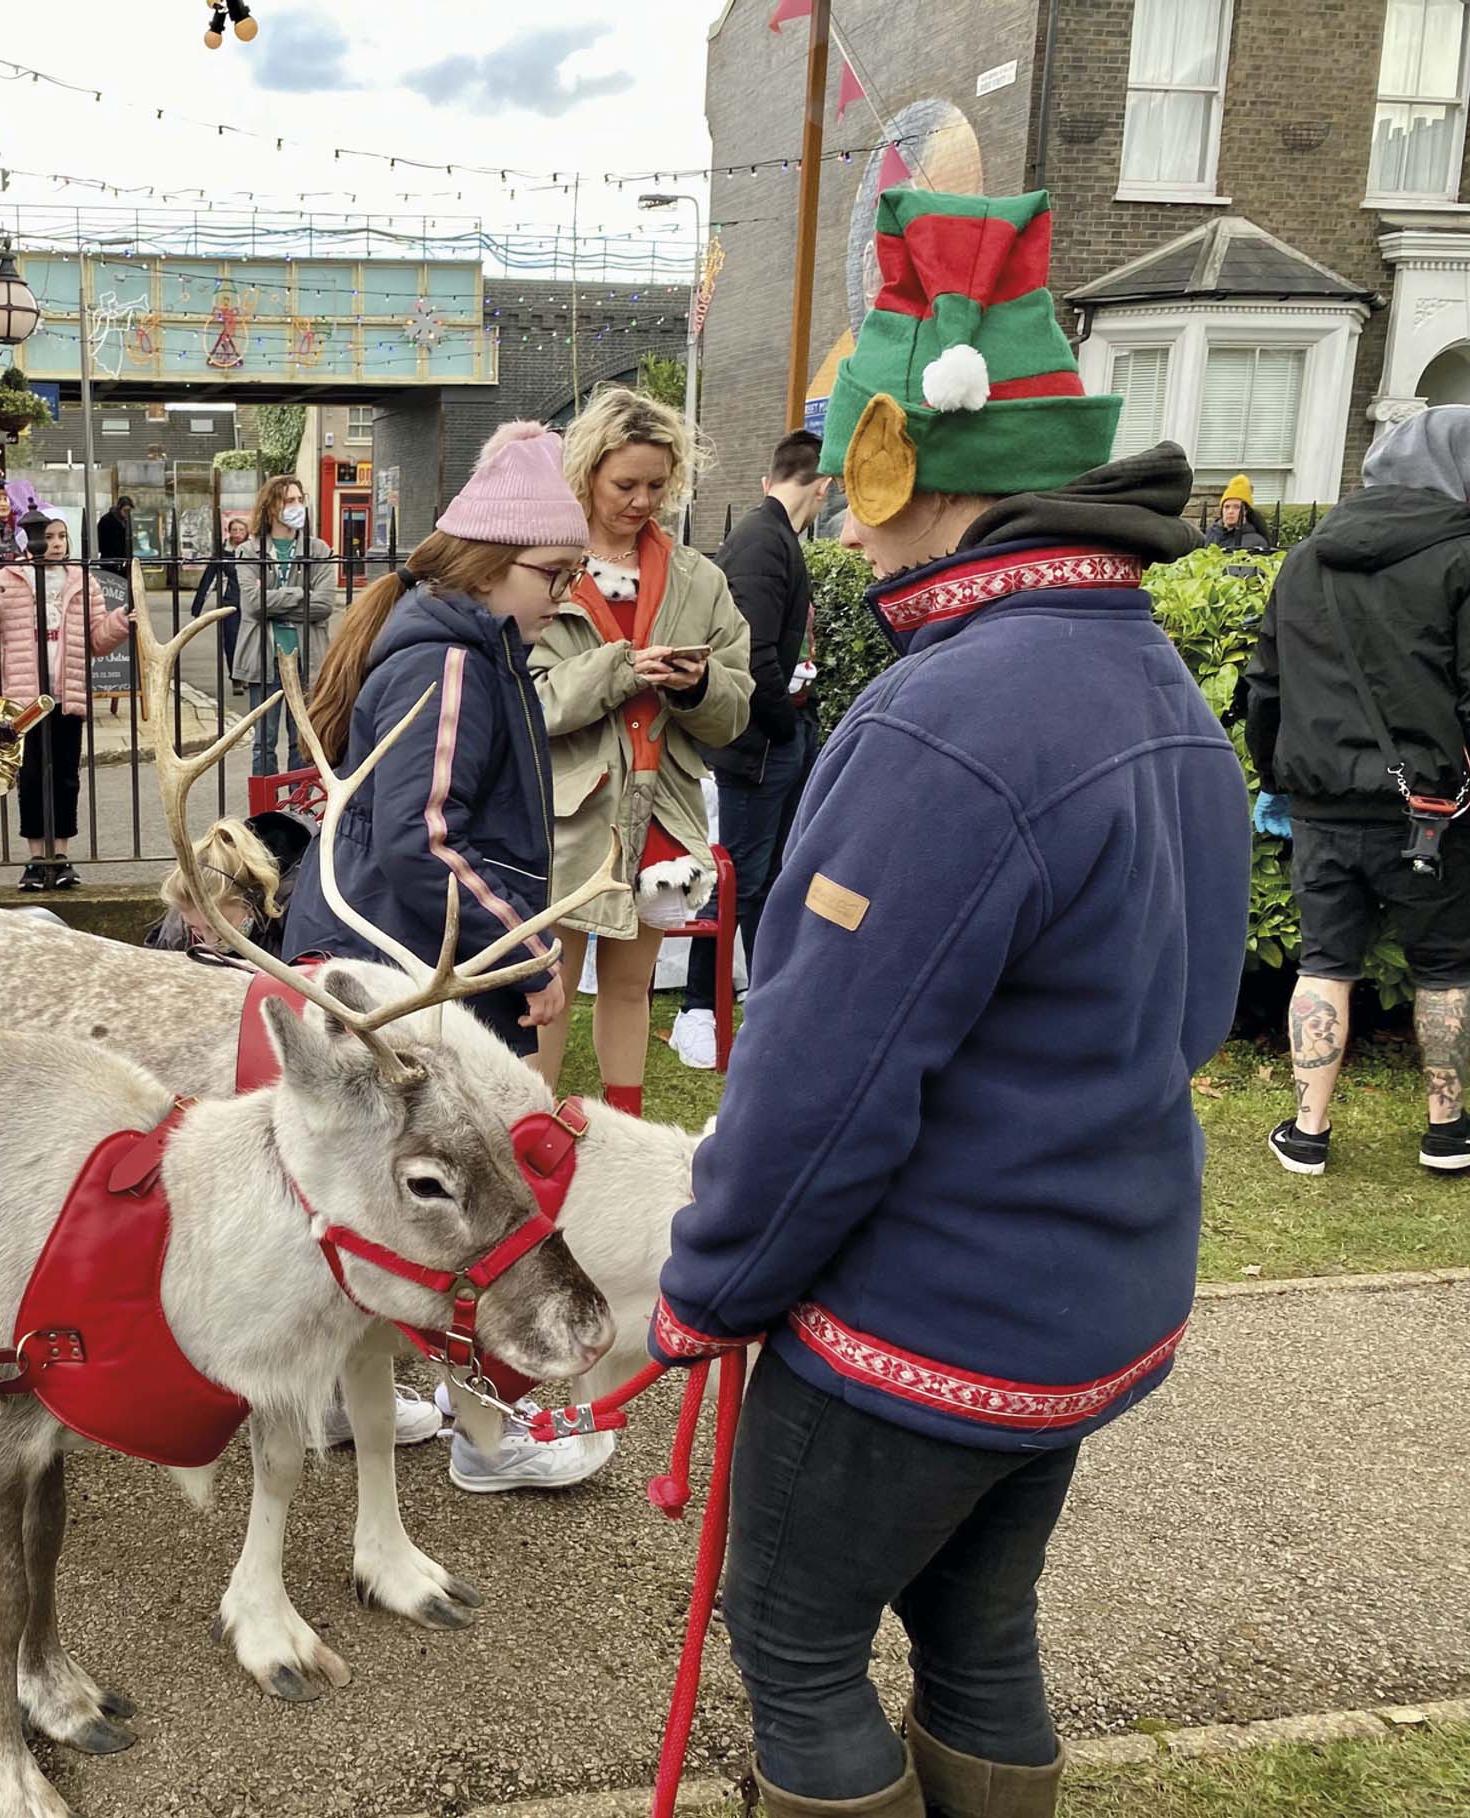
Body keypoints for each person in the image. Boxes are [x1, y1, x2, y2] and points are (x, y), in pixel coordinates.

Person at [649, 190, 1249, 1818]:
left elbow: (820, 1082)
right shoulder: (1156, 687)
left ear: (915, 477)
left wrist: (704, 1282)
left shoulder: (946, 715)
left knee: (792, 1639)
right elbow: (1193, 1008)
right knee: (977, 1628)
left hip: (918, 1322)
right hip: (1082, 1299)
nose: (835, 532)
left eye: (853, 484)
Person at [281, 420, 588, 1059]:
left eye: (575, 574)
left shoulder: (462, 650)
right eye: (554, 574)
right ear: (486, 571)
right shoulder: (451, 664)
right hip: (398, 965)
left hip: (399, 953)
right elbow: (424, 839)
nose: (566, 595)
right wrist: (525, 953)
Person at [1245, 406, 1470, 1176]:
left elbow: (1264, 685)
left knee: (1324, 961)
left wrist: (1276, 777)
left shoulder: (1307, 558)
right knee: (1445, 966)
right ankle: (1447, 1130)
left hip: (1320, 802)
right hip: (1432, 810)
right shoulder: (1463, 558)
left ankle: (1308, 1130)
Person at [529, 385, 755, 1114]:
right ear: (588, 472)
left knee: (630, 987)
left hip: (661, 815)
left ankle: (621, 1134)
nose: (642, 500)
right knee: (549, 992)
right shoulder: (542, 568)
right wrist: (623, 667)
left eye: (658, 485)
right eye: (626, 483)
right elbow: (526, 704)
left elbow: (736, 711)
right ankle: (533, 1145)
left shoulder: (700, 579)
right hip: (563, 819)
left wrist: (696, 686)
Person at [675, 429, 837, 1069]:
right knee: (735, 879)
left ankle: (757, 998)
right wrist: (782, 723)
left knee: (764, 878)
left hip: (772, 738)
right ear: (823, 485)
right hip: (761, 745)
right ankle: (697, 1008)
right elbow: (755, 657)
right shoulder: (763, 543)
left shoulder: (773, 538)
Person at [0, 517, 130, 890]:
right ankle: (35, 857)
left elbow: (97, 640)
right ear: (31, 538)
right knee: (31, 777)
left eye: (61, 536)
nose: (55, 543)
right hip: (25, 701)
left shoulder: (82, 581)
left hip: (67, 694)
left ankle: (61, 855)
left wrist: (121, 621)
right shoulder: (7, 577)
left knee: (66, 777)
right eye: (47, 536)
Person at [229, 475, 336, 776]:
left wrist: (274, 600)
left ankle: (296, 816)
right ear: (271, 505)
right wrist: (302, 594)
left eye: (300, 500)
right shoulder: (250, 552)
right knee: (264, 742)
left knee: (301, 743)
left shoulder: (318, 550)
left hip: (305, 659)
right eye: (290, 500)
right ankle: (265, 816)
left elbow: (325, 604)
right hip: (263, 660)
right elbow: (252, 605)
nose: (297, 506)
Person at [144, 811, 311, 955]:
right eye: (194, 929)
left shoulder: (299, 915)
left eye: (219, 927)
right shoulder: (181, 920)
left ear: (252, 898)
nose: (210, 944)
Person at [1207, 473, 1274, 553]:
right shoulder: (1211, 533)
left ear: (1246, 511)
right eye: (1227, 507)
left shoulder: (1257, 542)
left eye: (1236, 507)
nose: (1230, 511)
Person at [96, 494, 136, 578]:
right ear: (119, 509)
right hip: (111, 561)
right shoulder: (106, 520)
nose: (127, 514)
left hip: (123, 561)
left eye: (129, 511)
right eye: (125, 511)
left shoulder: (125, 521)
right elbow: (103, 542)